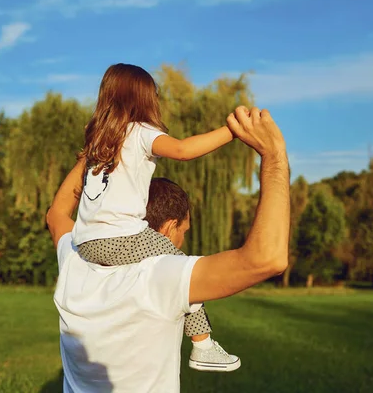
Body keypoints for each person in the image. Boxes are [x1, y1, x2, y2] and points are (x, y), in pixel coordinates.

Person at [47, 106, 290, 392]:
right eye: (184, 232)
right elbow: (268, 259)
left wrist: (94, 155)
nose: (182, 241)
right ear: (169, 227)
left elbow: (56, 213)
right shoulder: (161, 275)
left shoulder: (75, 257)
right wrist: (274, 158)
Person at [59, 63, 239, 371]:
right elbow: (182, 150)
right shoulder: (141, 132)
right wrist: (232, 131)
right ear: (143, 98)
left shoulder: (98, 143)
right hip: (122, 237)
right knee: (183, 270)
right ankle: (203, 346)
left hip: (86, 242)